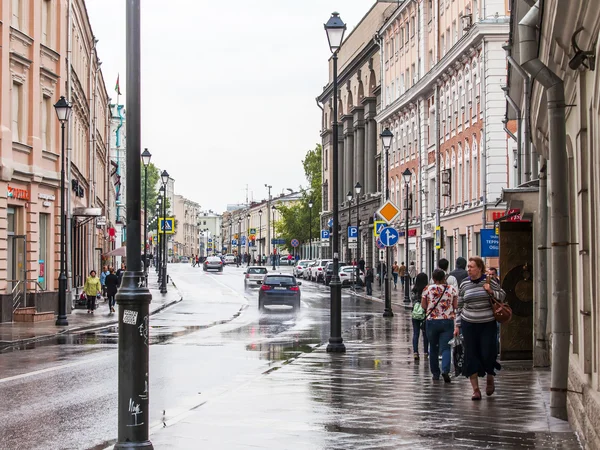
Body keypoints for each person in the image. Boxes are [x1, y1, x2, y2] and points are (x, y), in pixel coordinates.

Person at [455, 256, 506, 400]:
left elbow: (502, 295)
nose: (469, 269)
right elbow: (460, 306)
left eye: (471, 267)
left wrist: (491, 291)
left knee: (487, 353)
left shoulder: (490, 281)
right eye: (468, 267)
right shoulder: (464, 284)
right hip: (469, 323)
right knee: (471, 355)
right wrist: (457, 325)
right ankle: (476, 390)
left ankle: (490, 376)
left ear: (479, 268)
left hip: (487, 324)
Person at [422, 268, 458, 382]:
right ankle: (445, 370)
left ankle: (435, 374)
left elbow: (423, 306)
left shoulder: (427, 289)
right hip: (447, 321)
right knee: (446, 347)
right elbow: (455, 306)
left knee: (433, 347)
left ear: (433, 278)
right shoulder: (451, 289)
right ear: (444, 278)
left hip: (432, 321)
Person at [410, 272, 430, 360]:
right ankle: (425, 352)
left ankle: (415, 352)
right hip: (425, 313)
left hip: (415, 313)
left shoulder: (414, 290)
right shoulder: (427, 290)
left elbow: (413, 301)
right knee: (425, 333)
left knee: (416, 333)